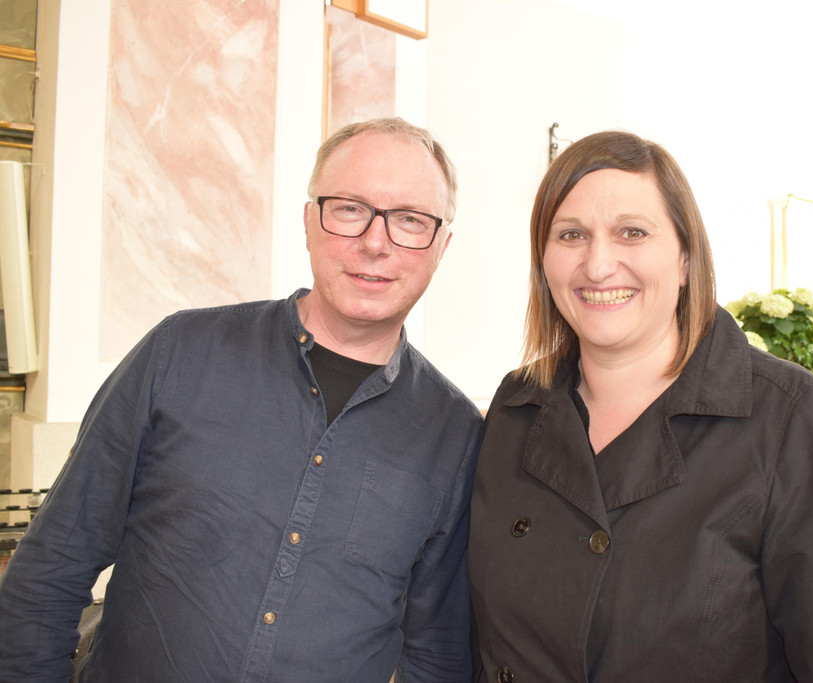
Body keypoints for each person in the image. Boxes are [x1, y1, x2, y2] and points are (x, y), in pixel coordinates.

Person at [0, 118, 483, 682]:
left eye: (410, 220)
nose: (375, 243)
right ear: (309, 220)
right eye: (350, 209)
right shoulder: (180, 353)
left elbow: (438, 652)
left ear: (442, 246)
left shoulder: (454, 433)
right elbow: (53, 566)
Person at [468, 130, 813, 682]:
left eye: (632, 232)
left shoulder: (795, 420)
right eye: (571, 235)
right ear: (543, 261)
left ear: (686, 258)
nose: (598, 265)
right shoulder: (515, 405)